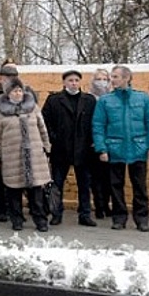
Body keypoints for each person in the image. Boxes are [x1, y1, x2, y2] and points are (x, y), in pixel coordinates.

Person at [92, 65, 149, 232]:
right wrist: (102, 149)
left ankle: (142, 219)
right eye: (111, 77)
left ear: (126, 78)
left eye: (115, 77)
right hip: (115, 149)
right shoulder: (105, 100)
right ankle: (119, 218)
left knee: (140, 187)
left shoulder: (143, 99)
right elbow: (98, 126)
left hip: (138, 149)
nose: (112, 80)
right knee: (116, 186)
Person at [0, 78, 52, 232]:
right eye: (14, 91)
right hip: (12, 157)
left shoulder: (33, 108)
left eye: (19, 90)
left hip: (35, 155)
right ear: (8, 93)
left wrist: (47, 147)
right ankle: (16, 219)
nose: (18, 93)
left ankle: (40, 220)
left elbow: (42, 129)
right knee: (13, 191)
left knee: (37, 191)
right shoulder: (0, 112)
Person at [0, 62, 35, 222]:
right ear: (0, 78)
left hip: (20, 142)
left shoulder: (26, 92)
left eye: (13, 77)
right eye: (7, 77)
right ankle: (1, 210)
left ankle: (18, 210)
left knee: (20, 178)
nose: (10, 80)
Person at [41, 70, 97, 227]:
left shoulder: (89, 100)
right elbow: (45, 121)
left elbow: (95, 122)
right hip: (61, 149)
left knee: (84, 184)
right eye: (70, 80)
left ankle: (85, 214)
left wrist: (91, 141)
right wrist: (54, 138)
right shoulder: (54, 100)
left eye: (76, 80)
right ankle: (56, 213)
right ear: (64, 82)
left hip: (84, 149)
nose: (74, 83)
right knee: (57, 184)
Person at [88, 69, 113, 219]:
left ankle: (106, 204)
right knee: (95, 178)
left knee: (109, 178)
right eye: (98, 79)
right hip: (92, 144)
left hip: (110, 143)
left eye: (105, 79)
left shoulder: (112, 98)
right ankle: (98, 206)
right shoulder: (89, 99)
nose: (101, 82)